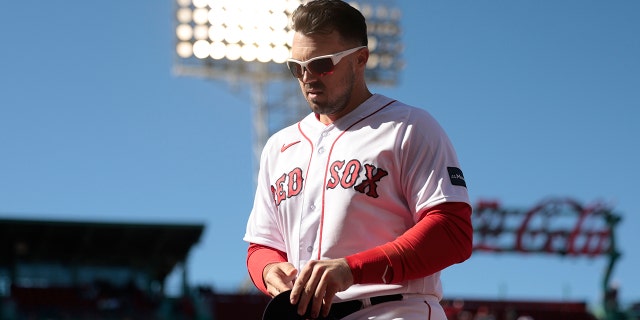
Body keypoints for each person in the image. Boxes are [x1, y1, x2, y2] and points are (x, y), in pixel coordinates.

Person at [243, 1, 473, 319]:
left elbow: (452, 232)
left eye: (322, 64)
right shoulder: (279, 147)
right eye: (297, 67)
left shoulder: (409, 126)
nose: (307, 77)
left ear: (360, 59)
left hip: (393, 309)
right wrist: (269, 270)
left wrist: (353, 269)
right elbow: (260, 246)